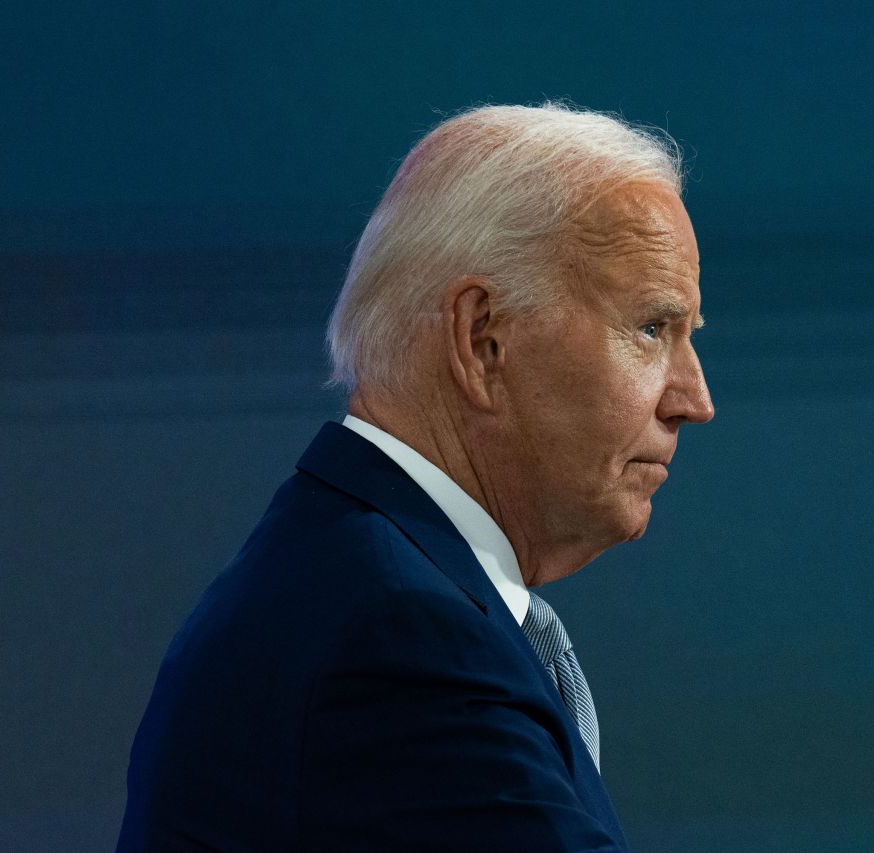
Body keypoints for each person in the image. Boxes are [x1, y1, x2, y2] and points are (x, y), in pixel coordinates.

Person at [116, 102, 714, 851]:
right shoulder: (401, 637)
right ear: (482, 339)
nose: (696, 400)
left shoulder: (357, 579)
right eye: (653, 328)